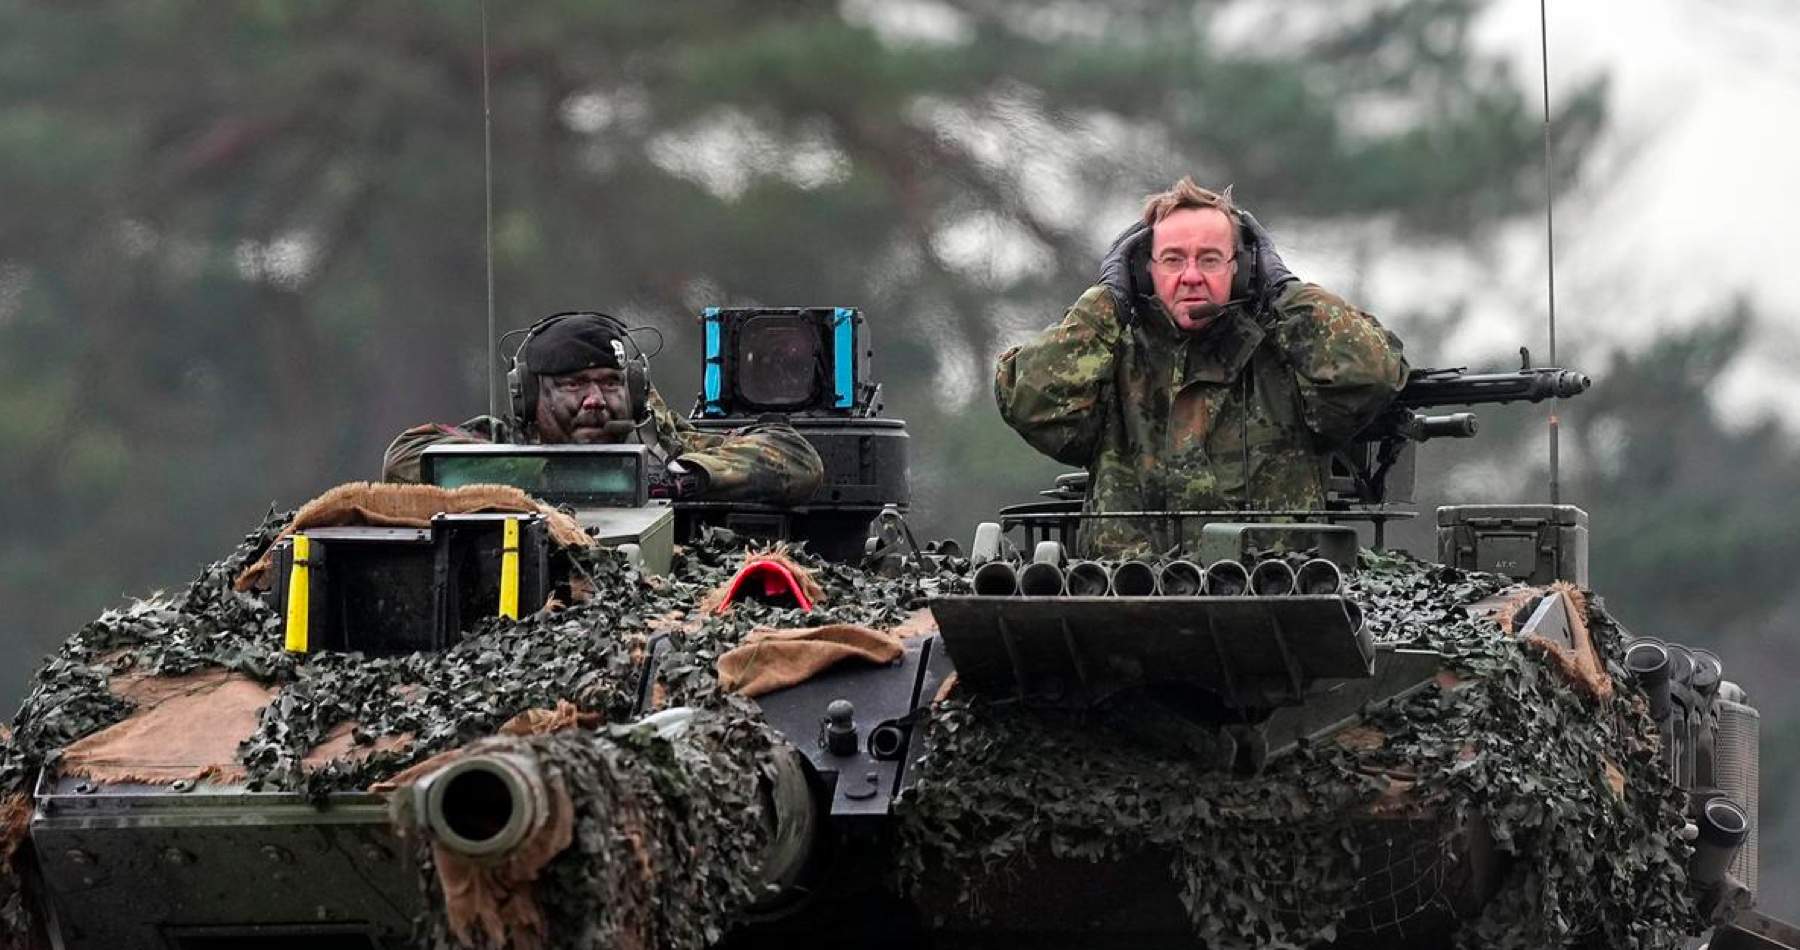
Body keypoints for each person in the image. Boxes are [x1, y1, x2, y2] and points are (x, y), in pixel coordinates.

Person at [994, 177, 1408, 557]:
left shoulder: (1286, 355)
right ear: (1143, 272)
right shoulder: (1111, 356)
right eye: (1173, 260)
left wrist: (1284, 287)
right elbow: (1033, 402)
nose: (1191, 276)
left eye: (1209, 259)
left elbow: (1369, 373)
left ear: (1243, 269)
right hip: (1123, 599)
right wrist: (1106, 300)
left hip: (1275, 599)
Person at [383, 312, 824, 505]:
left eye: (610, 383)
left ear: (632, 391)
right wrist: (537, 476)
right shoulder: (502, 443)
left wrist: (681, 478)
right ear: (531, 397)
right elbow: (404, 459)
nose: (595, 400)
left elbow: (796, 456)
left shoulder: (664, 446)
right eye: (573, 385)